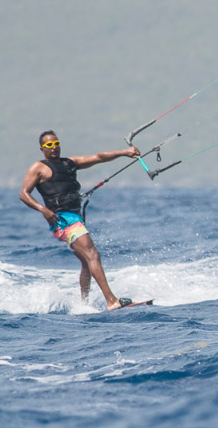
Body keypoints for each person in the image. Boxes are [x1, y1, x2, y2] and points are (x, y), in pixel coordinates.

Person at [20, 130, 141, 310]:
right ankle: (111, 301)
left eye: (56, 144)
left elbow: (99, 157)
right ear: (42, 149)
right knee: (93, 254)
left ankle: (83, 304)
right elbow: (24, 194)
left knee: (86, 261)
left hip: (75, 218)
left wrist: (124, 152)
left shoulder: (70, 163)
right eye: (49, 145)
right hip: (62, 220)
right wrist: (43, 209)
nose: (53, 148)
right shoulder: (38, 168)